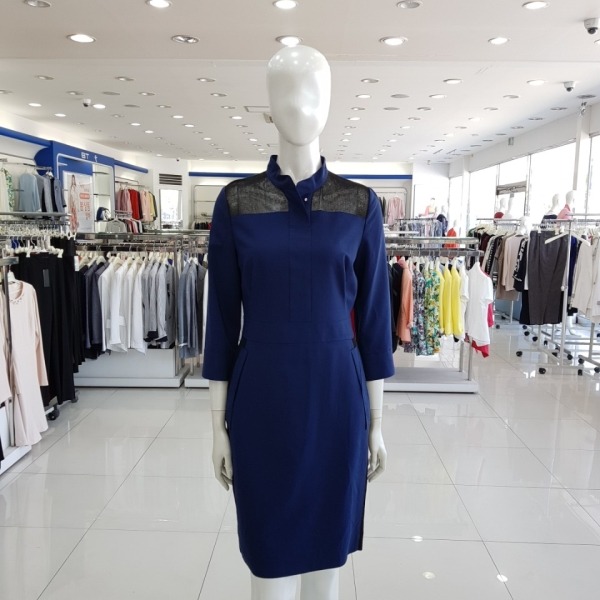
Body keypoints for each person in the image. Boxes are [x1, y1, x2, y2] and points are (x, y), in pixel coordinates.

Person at [202, 45, 394, 600]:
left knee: (326, 565)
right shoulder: (237, 203)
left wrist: (376, 422)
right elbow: (221, 320)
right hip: (261, 402)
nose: (300, 106)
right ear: (267, 106)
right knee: (269, 561)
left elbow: (375, 320)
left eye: (313, 93)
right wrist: (216, 426)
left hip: (337, 402)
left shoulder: (359, 204)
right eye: (286, 93)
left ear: (331, 103)